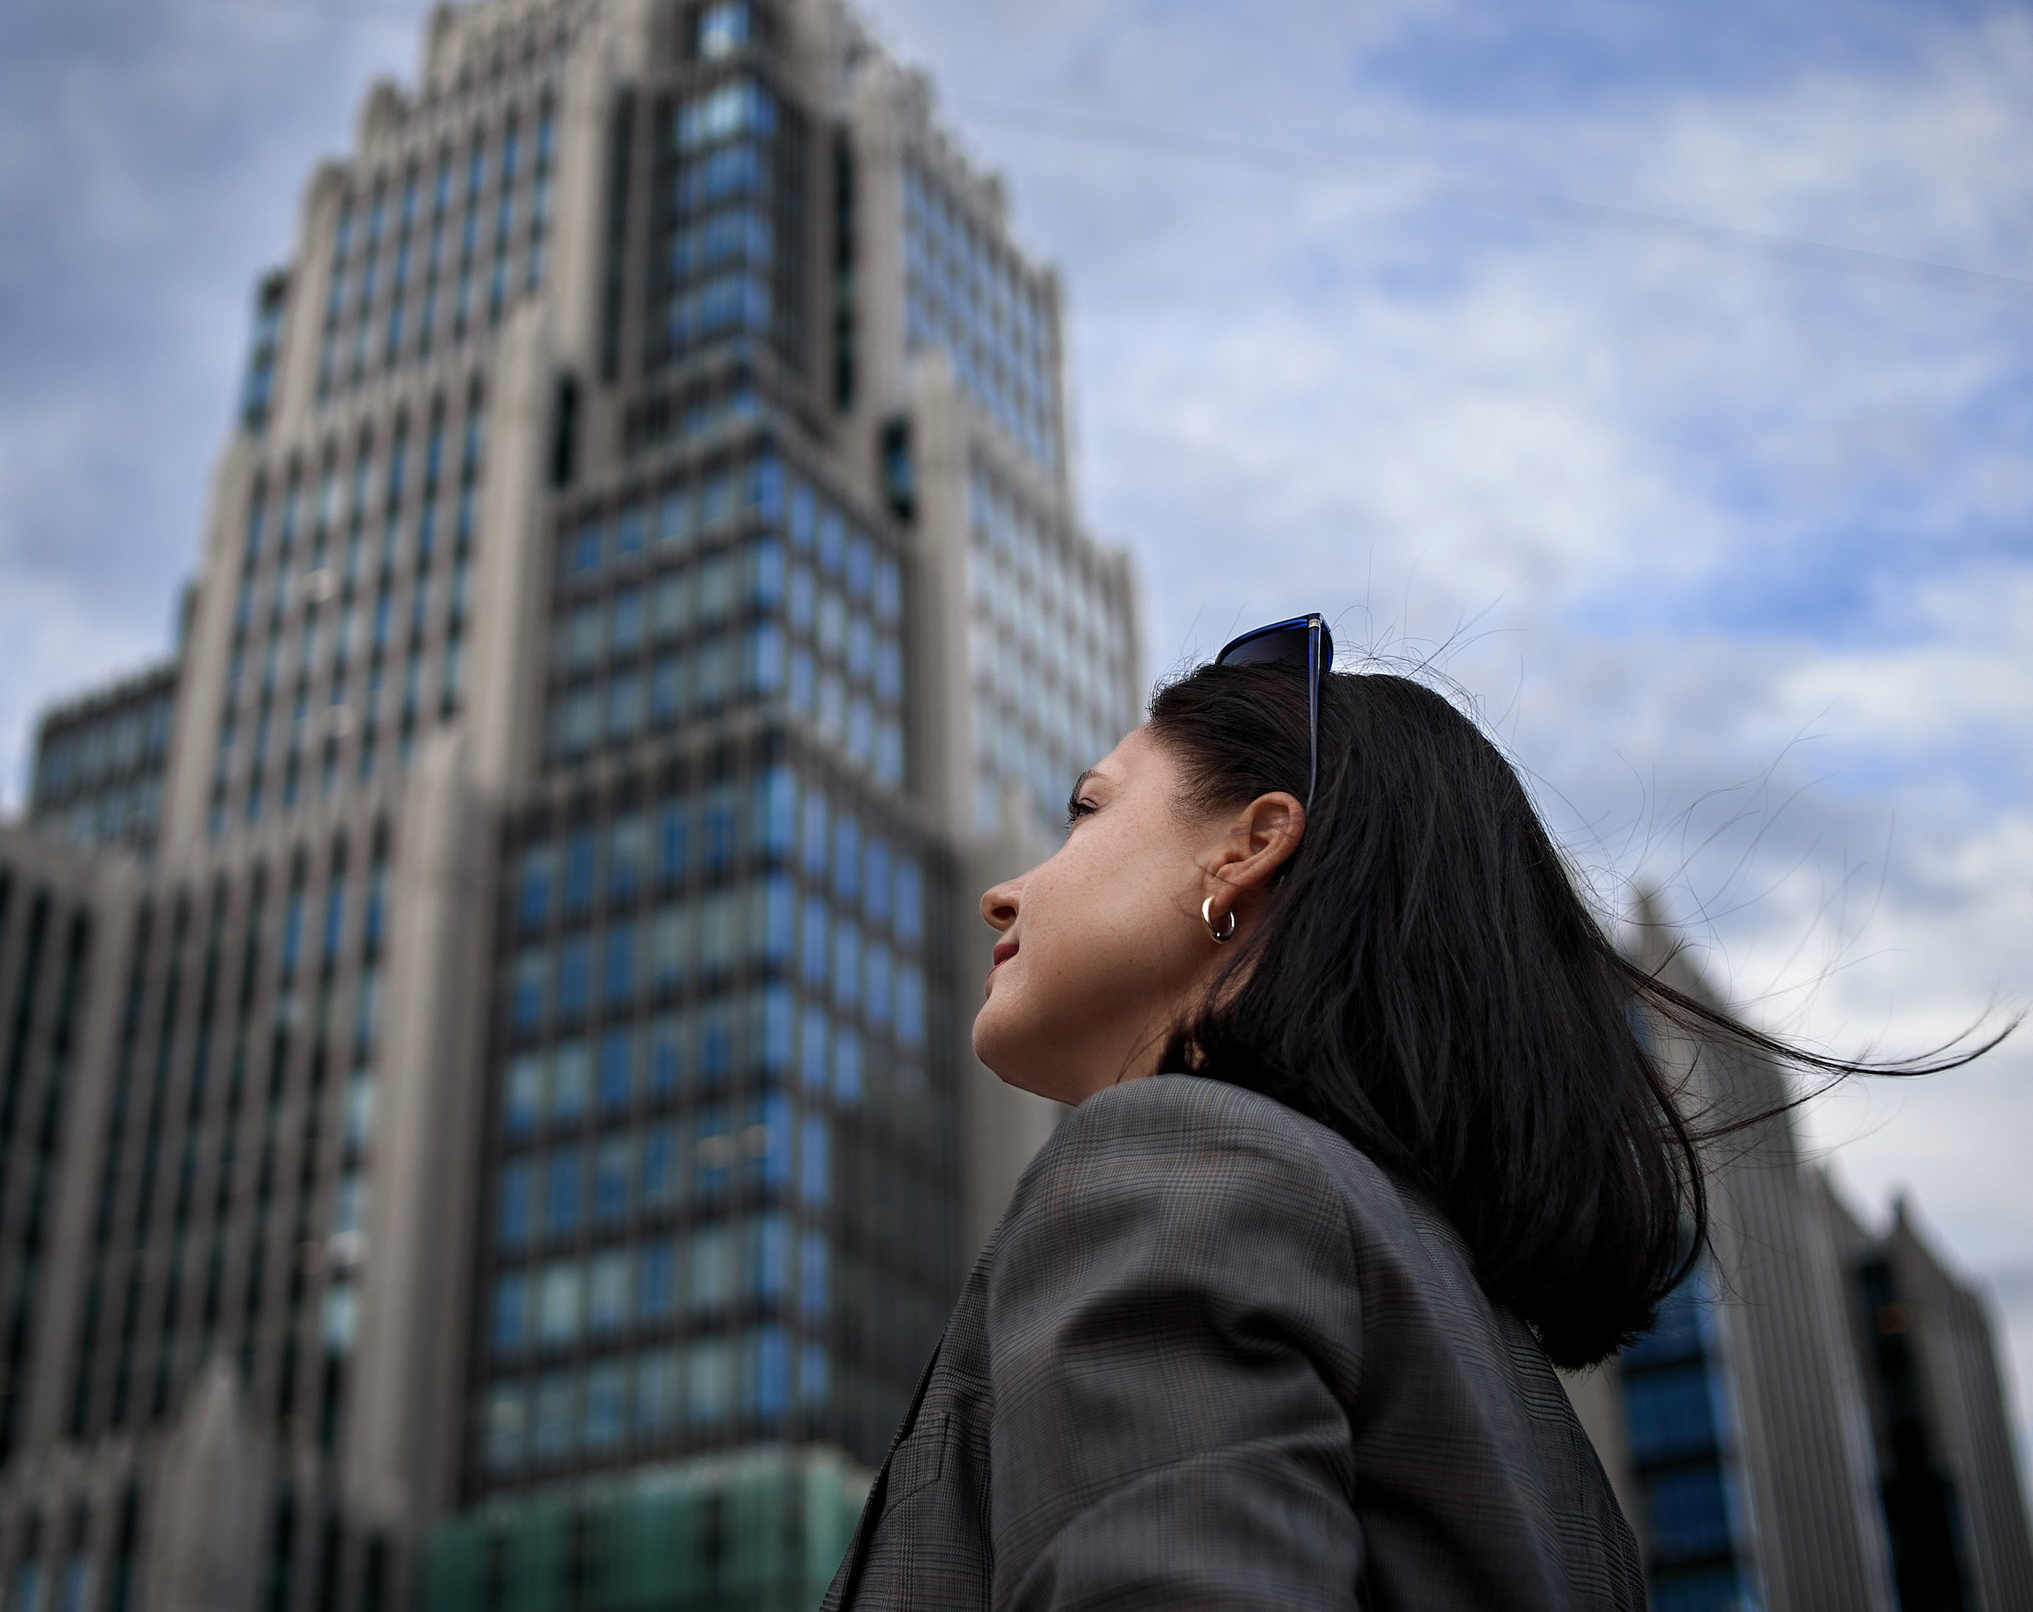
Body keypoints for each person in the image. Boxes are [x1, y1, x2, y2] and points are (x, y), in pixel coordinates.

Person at [824, 614, 1972, 1612]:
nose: (1005, 889)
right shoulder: (1530, 1415)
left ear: (1251, 845)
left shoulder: (1171, 1161)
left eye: (1084, 810)